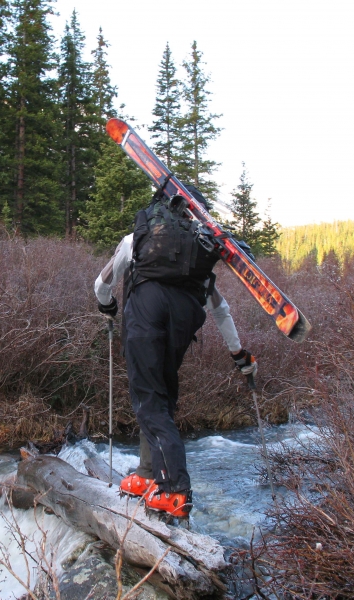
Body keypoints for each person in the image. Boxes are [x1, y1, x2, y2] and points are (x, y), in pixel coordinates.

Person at [94, 185, 257, 519]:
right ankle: (147, 475)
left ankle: (174, 490)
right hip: (183, 321)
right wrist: (239, 354)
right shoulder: (196, 255)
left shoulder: (136, 239)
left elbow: (101, 286)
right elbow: (221, 310)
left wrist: (107, 306)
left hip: (146, 316)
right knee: (161, 396)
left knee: (148, 400)